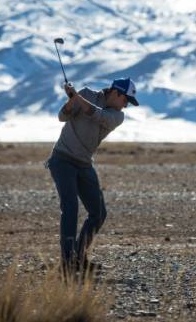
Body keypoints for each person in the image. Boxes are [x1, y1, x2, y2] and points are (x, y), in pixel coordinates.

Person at [46, 78, 139, 275]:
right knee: (70, 208)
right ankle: (67, 262)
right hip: (62, 159)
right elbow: (62, 116)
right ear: (116, 93)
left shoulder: (117, 116)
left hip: (84, 163)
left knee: (98, 213)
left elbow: (95, 114)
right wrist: (72, 100)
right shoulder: (87, 94)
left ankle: (79, 257)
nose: (126, 104)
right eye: (126, 99)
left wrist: (76, 97)